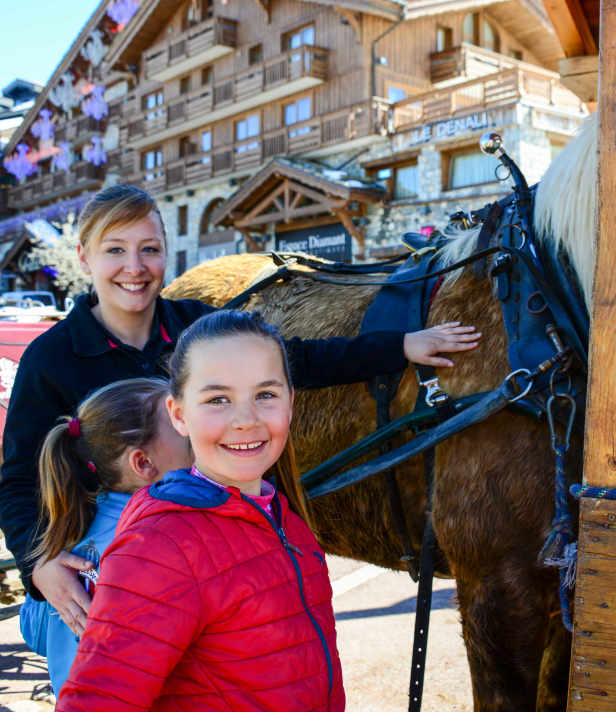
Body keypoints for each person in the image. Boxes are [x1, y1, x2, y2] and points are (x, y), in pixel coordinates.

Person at [0, 183, 480, 636]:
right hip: (108, 561)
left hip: (198, 542)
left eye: (149, 248)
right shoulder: (51, 358)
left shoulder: (197, 327)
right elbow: (18, 478)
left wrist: (401, 346)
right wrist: (38, 565)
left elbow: (298, 359)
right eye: (115, 250)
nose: (135, 266)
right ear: (84, 257)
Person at [58, 310, 345, 710]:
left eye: (265, 395)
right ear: (179, 415)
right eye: (217, 399)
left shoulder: (286, 519)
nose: (245, 420)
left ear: (290, 403)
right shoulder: (160, 547)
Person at [19, 377, 190, 697]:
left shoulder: (66, 534)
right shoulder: (159, 542)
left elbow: (34, 633)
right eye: (180, 421)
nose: (195, 427)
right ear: (143, 463)